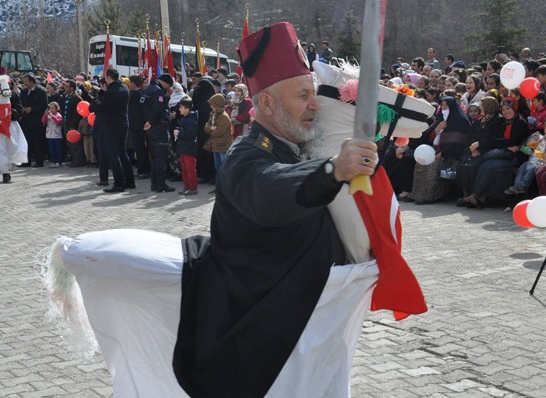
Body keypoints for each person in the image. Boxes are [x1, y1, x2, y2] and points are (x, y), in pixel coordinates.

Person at [172, 22, 417, 398]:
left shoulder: (300, 144)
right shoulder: (245, 157)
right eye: (303, 95)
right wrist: (332, 170)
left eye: (314, 94)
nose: (315, 105)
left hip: (306, 321)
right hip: (263, 331)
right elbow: (270, 191)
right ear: (267, 104)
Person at [89, 68, 135, 193]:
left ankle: (119, 184)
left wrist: (96, 97)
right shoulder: (124, 88)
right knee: (122, 153)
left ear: (109, 78)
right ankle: (130, 181)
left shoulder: (111, 92)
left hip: (111, 126)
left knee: (113, 155)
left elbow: (98, 107)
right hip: (123, 124)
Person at [141, 73, 175, 193]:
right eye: (168, 86)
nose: (168, 88)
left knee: (155, 157)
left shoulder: (148, 89)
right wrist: (151, 121)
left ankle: (154, 184)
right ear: (164, 82)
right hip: (158, 128)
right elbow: (158, 109)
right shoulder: (157, 91)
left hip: (150, 128)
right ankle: (160, 184)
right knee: (161, 157)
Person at [0, 69, 28, 182]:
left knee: (13, 147)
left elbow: (19, 108)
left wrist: (11, 112)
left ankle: (11, 164)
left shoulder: (13, 95)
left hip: (11, 124)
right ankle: (5, 172)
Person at [203, 93, 233, 195]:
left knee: (224, 168)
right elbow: (206, 127)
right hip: (216, 145)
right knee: (218, 168)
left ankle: (226, 189)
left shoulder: (224, 117)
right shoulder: (213, 114)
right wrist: (211, 128)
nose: (211, 106)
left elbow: (219, 131)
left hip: (223, 145)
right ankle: (219, 188)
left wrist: (211, 129)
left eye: (212, 104)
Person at [19, 73, 48, 167]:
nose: (24, 83)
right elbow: (20, 103)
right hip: (26, 120)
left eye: (26, 81)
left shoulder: (41, 92)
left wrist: (32, 108)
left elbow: (44, 105)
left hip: (36, 121)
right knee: (26, 141)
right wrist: (22, 108)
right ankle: (26, 161)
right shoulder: (23, 92)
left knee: (37, 141)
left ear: (31, 82)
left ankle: (39, 161)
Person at [173, 96, 198, 195]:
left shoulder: (190, 120)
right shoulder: (185, 118)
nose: (179, 109)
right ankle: (187, 186)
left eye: (181, 107)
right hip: (183, 147)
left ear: (187, 109)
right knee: (184, 168)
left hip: (189, 147)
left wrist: (179, 133)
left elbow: (190, 134)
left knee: (190, 168)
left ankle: (192, 187)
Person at [127, 75, 150, 178]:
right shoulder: (141, 94)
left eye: (129, 82)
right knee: (140, 149)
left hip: (137, 125)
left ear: (133, 83)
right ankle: (143, 168)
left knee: (140, 149)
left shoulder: (134, 95)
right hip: (139, 124)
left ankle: (144, 170)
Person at [62, 80, 85, 167]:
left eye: (67, 86)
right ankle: (74, 159)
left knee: (76, 144)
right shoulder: (65, 97)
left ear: (72, 88)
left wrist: (73, 125)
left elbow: (77, 113)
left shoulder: (77, 98)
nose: (65, 88)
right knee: (69, 144)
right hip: (65, 123)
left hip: (72, 125)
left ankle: (79, 161)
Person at [41, 102, 64, 168]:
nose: (51, 109)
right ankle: (53, 161)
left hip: (57, 135)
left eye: (53, 108)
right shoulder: (48, 115)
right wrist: (45, 115)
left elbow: (59, 122)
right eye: (50, 108)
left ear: (57, 109)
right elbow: (43, 121)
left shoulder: (58, 115)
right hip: (50, 135)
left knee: (58, 149)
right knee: (51, 149)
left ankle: (59, 162)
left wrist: (52, 116)